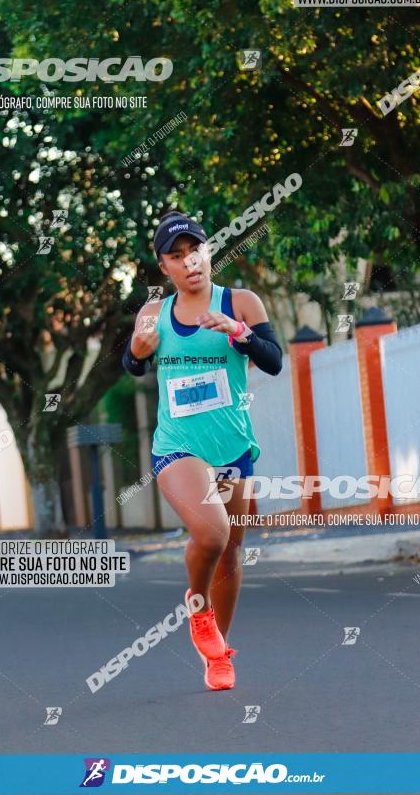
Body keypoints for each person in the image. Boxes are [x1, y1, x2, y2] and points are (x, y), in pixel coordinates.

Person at [123, 210, 282, 690]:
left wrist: (239, 332)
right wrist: (137, 349)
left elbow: (273, 361)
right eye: (177, 256)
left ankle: (217, 653)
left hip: (233, 448)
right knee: (213, 535)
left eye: (196, 250)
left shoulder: (241, 301)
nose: (189, 261)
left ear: (208, 252)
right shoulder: (153, 314)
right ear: (164, 267)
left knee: (231, 553)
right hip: (178, 448)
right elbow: (133, 364)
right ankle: (198, 611)